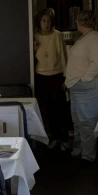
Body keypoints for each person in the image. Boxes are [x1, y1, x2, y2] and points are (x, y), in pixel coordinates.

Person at [63, 10, 98, 162]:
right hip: (77, 87)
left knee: (87, 122)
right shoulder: (85, 38)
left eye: (77, 21)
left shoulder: (94, 39)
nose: (76, 23)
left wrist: (84, 79)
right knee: (78, 121)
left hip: (88, 87)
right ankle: (78, 149)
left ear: (81, 22)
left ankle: (88, 156)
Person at [33, 9, 69, 149]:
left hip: (57, 76)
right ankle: (54, 138)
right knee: (47, 110)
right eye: (43, 21)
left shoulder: (57, 35)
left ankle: (64, 138)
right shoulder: (35, 36)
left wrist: (66, 78)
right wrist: (34, 50)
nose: (46, 24)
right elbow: (31, 59)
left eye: (48, 21)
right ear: (39, 22)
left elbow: (63, 57)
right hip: (42, 77)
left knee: (60, 108)